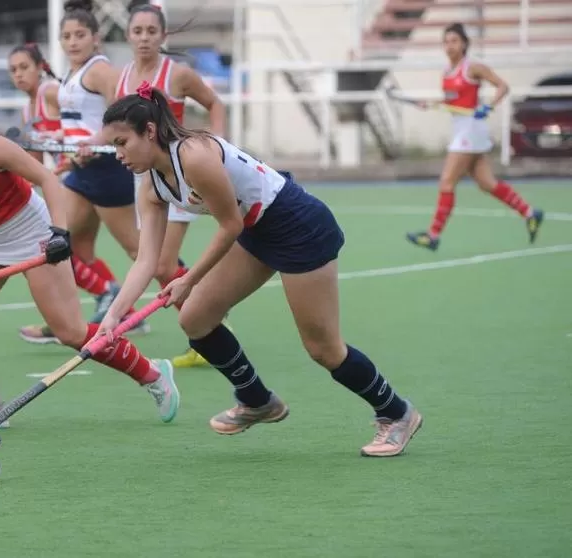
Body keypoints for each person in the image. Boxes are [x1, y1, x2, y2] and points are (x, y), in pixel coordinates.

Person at [96, 82, 423, 457]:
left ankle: (397, 413)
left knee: (323, 349)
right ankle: (257, 400)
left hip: (297, 226)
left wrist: (189, 278)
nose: (117, 154)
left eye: (121, 143)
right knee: (196, 318)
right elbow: (146, 260)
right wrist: (114, 317)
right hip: (257, 232)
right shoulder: (150, 183)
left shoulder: (194, 155)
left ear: (149, 131)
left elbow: (230, 225)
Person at [0, 78, 179, 430]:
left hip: (33, 230)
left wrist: (59, 233)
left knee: (70, 331)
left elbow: (47, 179)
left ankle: (153, 373)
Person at [16, 0, 172, 344]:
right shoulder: (73, 74)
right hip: (81, 175)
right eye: (67, 36)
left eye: (80, 34)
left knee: (142, 251)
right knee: (69, 247)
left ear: (96, 38)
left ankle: (199, 301)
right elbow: (82, 122)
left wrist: (93, 142)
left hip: (105, 170)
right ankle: (76, 320)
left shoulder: (99, 70)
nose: (73, 41)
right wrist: (61, 137)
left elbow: (120, 115)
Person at [116, 1, 228, 368]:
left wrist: (217, 148)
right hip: (148, 179)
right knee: (154, 262)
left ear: (163, 35)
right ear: (127, 35)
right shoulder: (121, 79)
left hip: (181, 175)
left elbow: (215, 104)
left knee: (162, 263)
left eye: (152, 31)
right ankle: (205, 323)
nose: (145, 38)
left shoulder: (177, 74)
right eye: (137, 31)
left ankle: (205, 329)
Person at [8, 42, 121, 330]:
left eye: (24, 67)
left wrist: (73, 153)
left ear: (40, 68)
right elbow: (34, 165)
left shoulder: (51, 93)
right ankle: (122, 308)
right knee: (80, 251)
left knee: (54, 245)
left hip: (88, 172)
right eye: (13, 70)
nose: (19, 75)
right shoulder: (26, 112)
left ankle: (104, 298)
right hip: (71, 181)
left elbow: (83, 119)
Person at [406, 22, 544, 251]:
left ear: (464, 44)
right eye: (446, 41)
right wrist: (431, 104)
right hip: (462, 129)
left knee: (447, 181)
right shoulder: (446, 73)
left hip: (471, 129)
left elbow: (502, 86)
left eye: (454, 41)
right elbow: (452, 102)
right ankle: (530, 213)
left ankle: (433, 235)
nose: (450, 46)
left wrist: (488, 106)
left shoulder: (473, 68)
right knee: (487, 183)